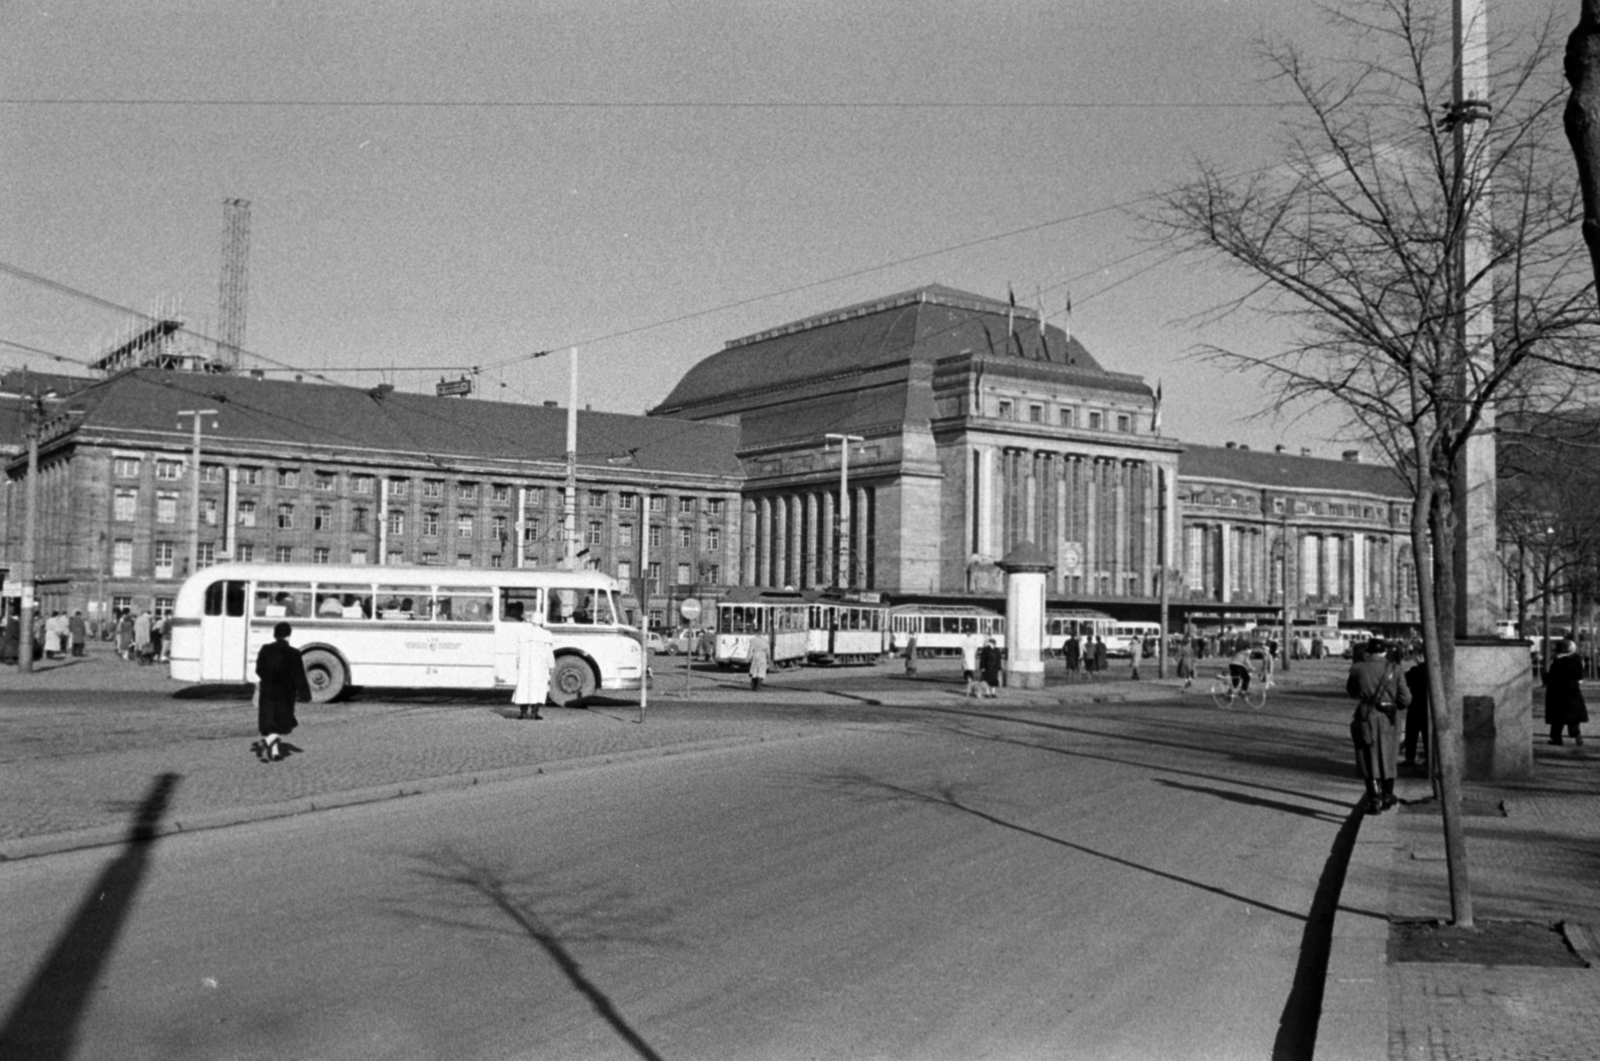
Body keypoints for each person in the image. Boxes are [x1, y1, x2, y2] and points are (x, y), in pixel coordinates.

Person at [1347, 640, 1410, 813]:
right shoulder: (1395, 669)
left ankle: (1374, 799)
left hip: (1366, 715)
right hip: (1388, 718)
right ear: (1384, 652)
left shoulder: (1357, 669)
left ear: (1368, 652)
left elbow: (1352, 692)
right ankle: (1387, 796)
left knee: (1367, 758)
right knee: (1389, 757)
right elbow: (1406, 699)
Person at [254, 621, 310, 762]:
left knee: (270, 723)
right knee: (281, 724)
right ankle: (269, 747)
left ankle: (274, 751)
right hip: (285, 694)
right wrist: (305, 694)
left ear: (275, 635)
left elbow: (259, 669)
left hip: (267, 692)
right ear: (288, 635)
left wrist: (267, 679)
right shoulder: (294, 653)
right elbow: (299, 676)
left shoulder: (265, 649)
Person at [512, 608, 557, 720]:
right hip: (540, 666)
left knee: (524, 687)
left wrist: (518, 663)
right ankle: (534, 712)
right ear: (541, 622)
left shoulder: (523, 634)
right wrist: (551, 666)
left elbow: (518, 651)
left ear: (531, 621)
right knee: (538, 687)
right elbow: (548, 653)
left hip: (525, 666)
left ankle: (522, 713)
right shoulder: (546, 634)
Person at [1544, 639, 1589, 746]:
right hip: (1573, 692)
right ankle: (1576, 734)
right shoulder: (1576, 659)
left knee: (1557, 719)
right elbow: (1580, 677)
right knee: (1573, 717)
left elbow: (1552, 678)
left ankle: (1556, 738)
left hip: (1558, 693)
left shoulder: (1556, 663)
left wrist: (1545, 676)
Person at [1402, 654, 1430, 766]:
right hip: (1428, 706)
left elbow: (1405, 682)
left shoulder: (1415, 670)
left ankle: (1410, 758)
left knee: (1412, 734)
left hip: (1415, 705)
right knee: (1427, 734)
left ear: (1422, 657)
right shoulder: (1433, 671)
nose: (1415, 659)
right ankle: (1429, 758)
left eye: (1417, 656)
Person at [960, 631, 981, 697]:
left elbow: (963, 651)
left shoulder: (964, 641)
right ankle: (975, 692)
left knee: (968, 679)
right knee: (973, 679)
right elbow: (976, 648)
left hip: (966, 665)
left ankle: (968, 692)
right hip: (971, 665)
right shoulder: (973, 641)